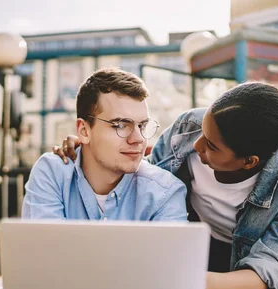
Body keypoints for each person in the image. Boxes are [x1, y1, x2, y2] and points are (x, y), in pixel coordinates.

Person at [55, 82, 278, 289]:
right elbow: (141, 180)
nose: (197, 146)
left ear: (249, 161)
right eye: (202, 131)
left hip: (236, 277)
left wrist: (176, 279)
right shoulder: (188, 127)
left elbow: (265, 272)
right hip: (182, 248)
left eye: (211, 145)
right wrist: (91, 150)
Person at [22, 67, 187, 221]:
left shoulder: (165, 192)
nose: (138, 139)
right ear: (84, 131)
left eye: (142, 125)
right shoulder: (53, 173)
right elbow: (43, 251)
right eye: (120, 125)